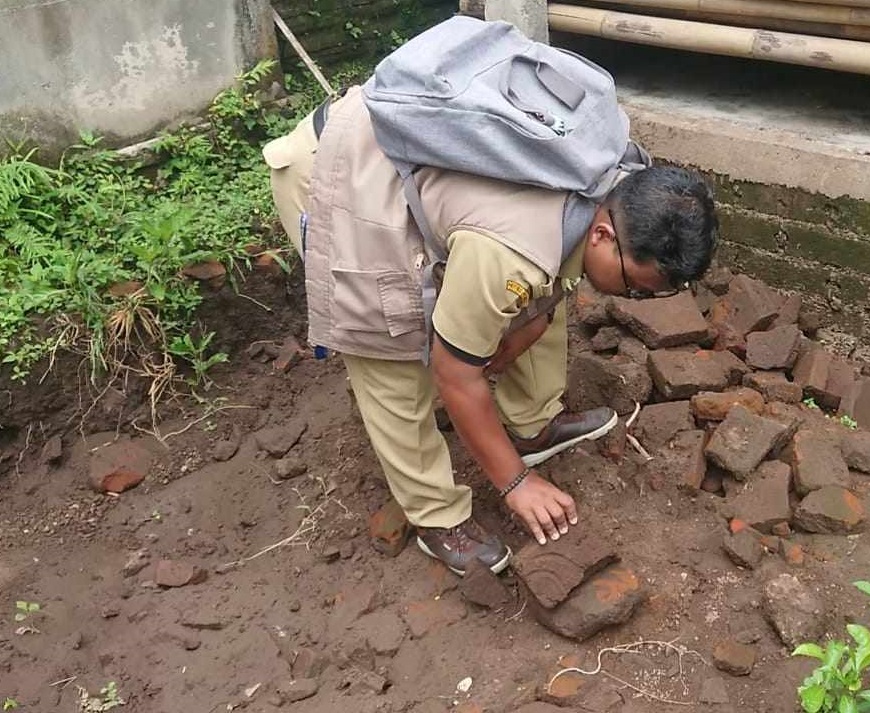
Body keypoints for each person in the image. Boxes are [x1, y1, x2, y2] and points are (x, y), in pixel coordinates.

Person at [263, 80, 718, 577]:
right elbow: (454, 374)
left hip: (429, 177)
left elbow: (553, 278)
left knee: (546, 280)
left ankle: (530, 423)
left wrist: (517, 330)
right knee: (393, 343)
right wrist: (515, 482)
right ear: (604, 234)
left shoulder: (623, 174)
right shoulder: (508, 252)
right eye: (635, 288)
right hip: (339, 172)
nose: (635, 300)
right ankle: (436, 515)